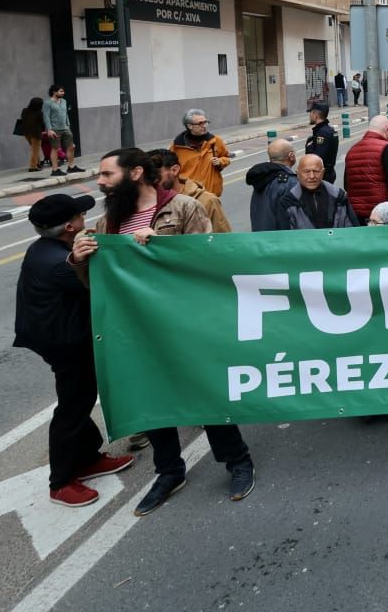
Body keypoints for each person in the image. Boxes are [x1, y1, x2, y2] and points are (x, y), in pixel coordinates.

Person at [69, 148, 253, 516]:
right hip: (137, 331)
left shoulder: (184, 208)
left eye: (107, 175)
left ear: (135, 173)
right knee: (153, 401)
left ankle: (238, 462)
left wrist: (163, 250)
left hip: (186, 327)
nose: (100, 182)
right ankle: (169, 472)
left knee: (207, 395)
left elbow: (208, 263)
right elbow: (98, 285)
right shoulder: (108, 223)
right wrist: (79, 258)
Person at [14, 192, 134, 507]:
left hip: (58, 336)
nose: (84, 218)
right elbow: (102, 283)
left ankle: (89, 458)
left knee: (79, 399)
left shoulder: (46, 248)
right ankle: (61, 481)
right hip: (65, 343)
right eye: (80, 216)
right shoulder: (60, 264)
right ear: (70, 226)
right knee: (72, 407)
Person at [148, 149, 231, 233]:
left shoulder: (207, 201)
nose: (151, 179)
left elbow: (223, 240)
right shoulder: (143, 203)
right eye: (147, 176)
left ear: (174, 170)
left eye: (156, 173)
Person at [344, 115, 388, 223]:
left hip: (356, 213)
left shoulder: (352, 150)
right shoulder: (386, 147)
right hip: (381, 214)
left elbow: (346, 184)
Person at [281, 153, 357, 229]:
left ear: (323, 172)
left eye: (316, 171)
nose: (312, 176)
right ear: (298, 173)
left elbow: (352, 230)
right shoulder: (288, 202)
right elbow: (285, 237)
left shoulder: (339, 197)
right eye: (306, 171)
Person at [168, 108, 229, 196]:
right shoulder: (177, 146)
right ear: (190, 126)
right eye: (200, 123)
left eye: (205, 122)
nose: (204, 126)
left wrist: (221, 162)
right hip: (189, 195)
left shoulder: (215, 141)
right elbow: (170, 169)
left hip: (211, 194)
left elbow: (226, 157)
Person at [245, 139, 296, 232]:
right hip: (280, 241)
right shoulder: (290, 182)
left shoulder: (262, 177)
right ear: (291, 155)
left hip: (261, 238)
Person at [42, 84, 83, 178]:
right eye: (61, 91)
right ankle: (55, 170)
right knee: (55, 149)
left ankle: (71, 167)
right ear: (54, 92)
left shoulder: (64, 101)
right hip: (54, 129)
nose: (63, 93)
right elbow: (46, 117)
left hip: (65, 128)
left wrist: (68, 125)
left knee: (71, 146)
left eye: (63, 91)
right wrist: (49, 129)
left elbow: (66, 114)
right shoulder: (47, 103)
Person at [304, 103, 340, 184]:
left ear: (315, 115)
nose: (310, 116)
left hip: (322, 176)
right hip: (327, 174)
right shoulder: (327, 130)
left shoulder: (323, 133)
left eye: (311, 113)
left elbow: (318, 158)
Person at [18, 97, 46, 172]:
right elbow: (42, 123)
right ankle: (33, 167)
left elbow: (23, 119)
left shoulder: (24, 110)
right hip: (36, 133)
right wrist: (44, 130)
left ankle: (38, 163)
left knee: (34, 149)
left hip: (26, 133)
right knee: (35, 150)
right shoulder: (39, 113)